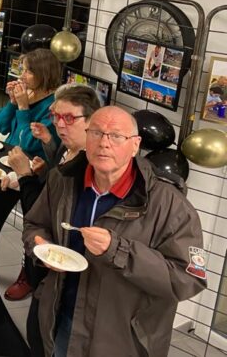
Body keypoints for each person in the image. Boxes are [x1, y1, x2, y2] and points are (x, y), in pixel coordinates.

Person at [23, 106, 207, 357]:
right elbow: (34, 225)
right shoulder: (62, 181)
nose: (104, 143)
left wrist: (118, 250)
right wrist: (40, 248)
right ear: (86, 138)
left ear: (135, 145)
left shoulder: (171, 206)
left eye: (116, 136)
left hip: (122, 339)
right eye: (96, 133)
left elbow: (188, 279)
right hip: (60, 320)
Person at [1, 84, 101, 357]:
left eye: (69, 118)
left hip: (63, 274)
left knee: (47, 337)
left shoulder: (93, 168)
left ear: (93, 121)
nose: (60, 124)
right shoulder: (66, 151)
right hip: (46, 266)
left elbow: (41, 212)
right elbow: (44, 213)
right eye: (57, 116)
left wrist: (24, 175)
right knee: (38, 331)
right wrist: (45, 160)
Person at [0, 47, 62, 301]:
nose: (22, 75)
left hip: (36, 176)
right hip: (11, 166)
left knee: (32, 227)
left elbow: (27, 144)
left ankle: (28, 276)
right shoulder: (28, 95)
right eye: (22, 68)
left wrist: (23, 108)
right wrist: (13, 103)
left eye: (28, 70)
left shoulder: (51, 106)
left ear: (43, 74)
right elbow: (0, 125)